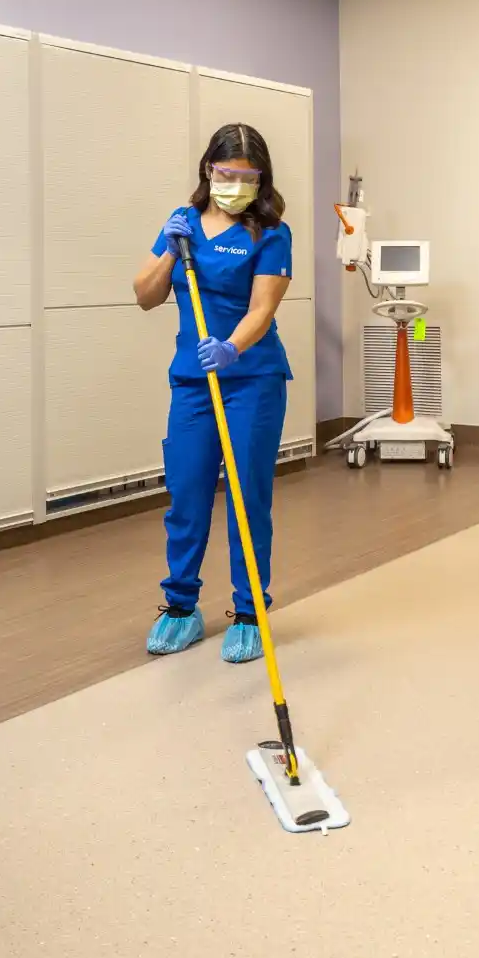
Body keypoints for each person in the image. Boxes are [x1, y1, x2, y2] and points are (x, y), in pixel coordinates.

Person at [132, 123, 293, 664]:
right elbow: (145, 296)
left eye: (249, 177)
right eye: (228, 174)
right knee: (187, 492)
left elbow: (262, 309)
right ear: (208, 170)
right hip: (192, 383)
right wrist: (170, 254)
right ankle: (181, 607)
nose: (237, 185)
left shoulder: (271, 232)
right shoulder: (180, 226)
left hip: (250, 380)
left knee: (248, 498)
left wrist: (231, 348)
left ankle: (249, 611)